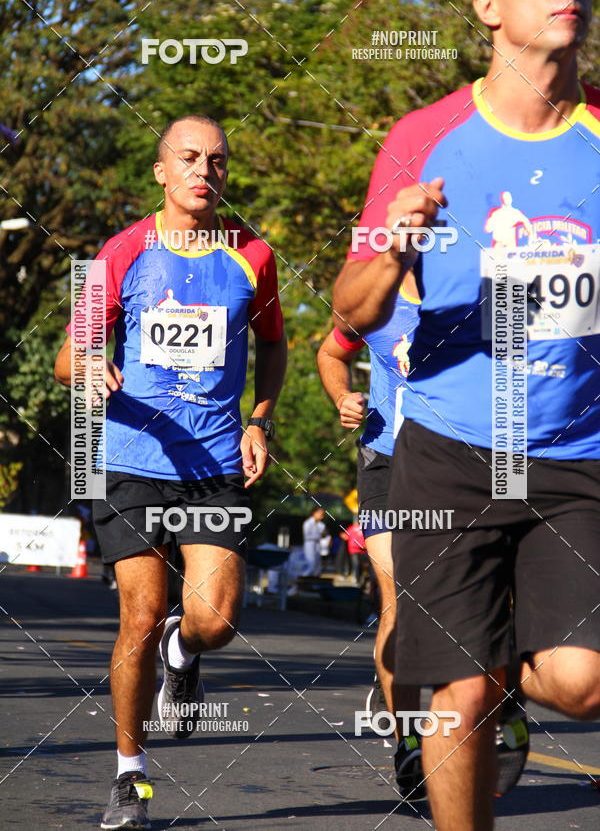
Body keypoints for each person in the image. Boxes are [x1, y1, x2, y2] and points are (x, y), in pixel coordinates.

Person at [332, 0, 600, 828]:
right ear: (488, 6)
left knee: (582, 680)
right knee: (459, 687)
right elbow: (354, 306)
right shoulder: (422, 139)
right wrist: (395, 245)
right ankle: (473, 665)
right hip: (449, 448)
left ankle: (498, 651)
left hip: (575, 452)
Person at [54, 114, 287, 830]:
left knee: (215, 618)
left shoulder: (254, 256)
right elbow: (69, 356)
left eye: (217, 160)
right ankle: (130, 776)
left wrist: (261, 420)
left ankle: (184, 653)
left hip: (213, 460)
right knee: (140, 614)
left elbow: (274, 346)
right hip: (131, 460)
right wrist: (91, 362)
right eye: (188, 158)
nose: (204, 171)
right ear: (161, 171)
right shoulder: (122, 252)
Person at [318, 274, 424, 798]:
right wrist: (343, 398)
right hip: (387, 461)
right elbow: (329, 353)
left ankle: (501, 705)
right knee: (399, 598)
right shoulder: (378, 299)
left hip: (466, 467)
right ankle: (409, 743)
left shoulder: (488, 293)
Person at [302, 506, 326, 575]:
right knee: (311, 563)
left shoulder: (321, 525)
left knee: (317, 564)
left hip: (318, 544)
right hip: (309, 543)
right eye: (320, 514)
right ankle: (303, 578)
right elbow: (307, 536)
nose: (322, 516)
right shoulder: (307, 523)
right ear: (314, 513)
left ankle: (314, 580)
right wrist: (319, 536)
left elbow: (323, 534)